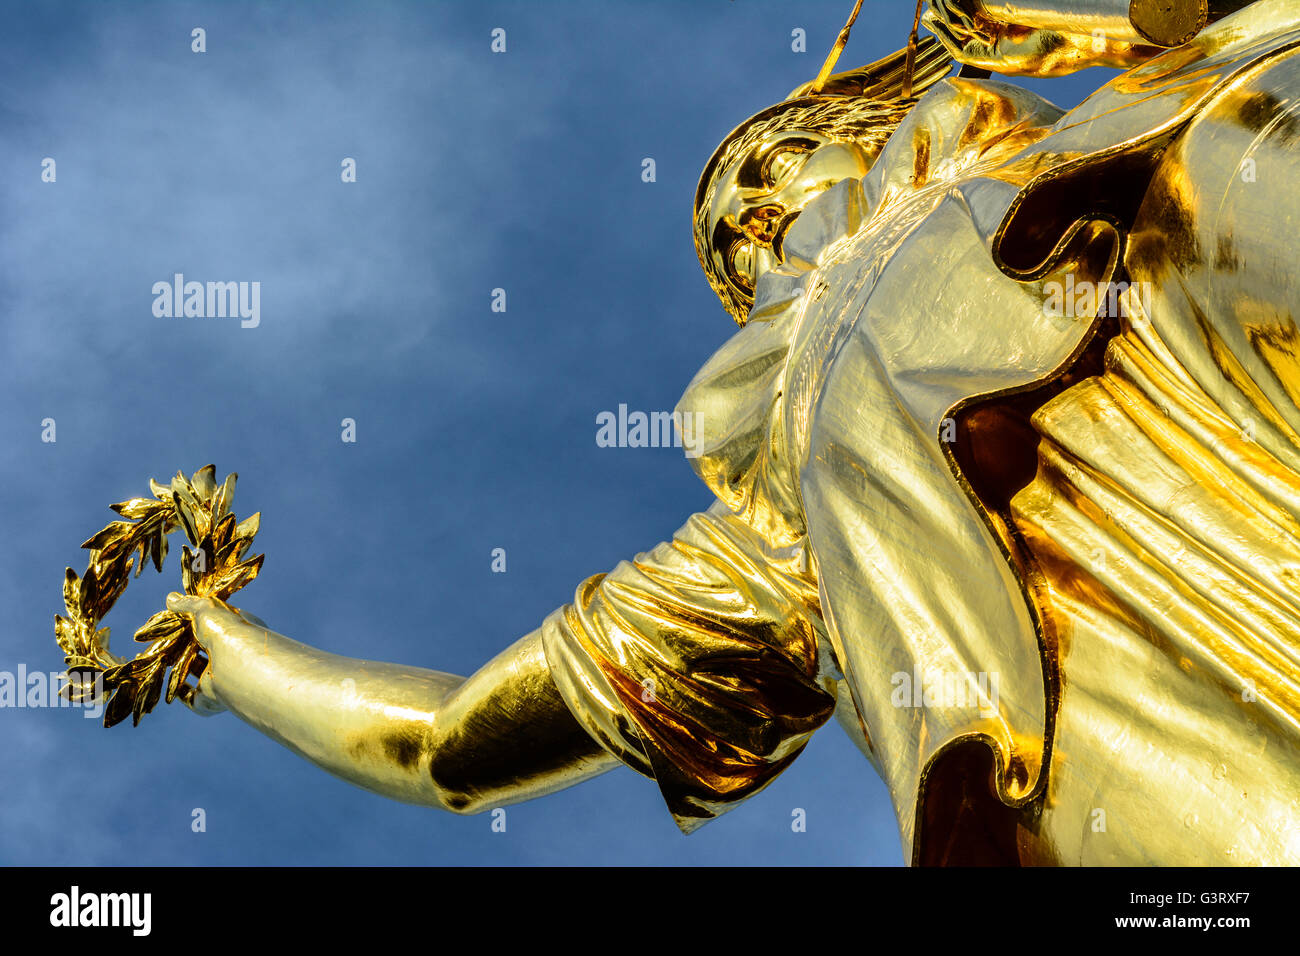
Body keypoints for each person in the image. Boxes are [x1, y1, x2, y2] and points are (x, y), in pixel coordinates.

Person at [168, 0, 1300, 864]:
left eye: (761, 169)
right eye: (730, 235)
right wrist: (233, 655)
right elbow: (447, 746)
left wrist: (1035, 26)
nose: (751, 218)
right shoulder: (784, 511)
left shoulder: (1160, 107)